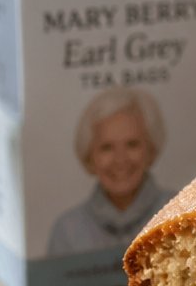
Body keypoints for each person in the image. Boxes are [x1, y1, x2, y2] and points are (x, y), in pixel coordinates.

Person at [47, 90, 173, 256]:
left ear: (150, 150)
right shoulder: (67, 231)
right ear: (89, 157)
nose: (120, 160)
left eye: (132, 144)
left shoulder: (180, 214)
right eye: (106, 147)